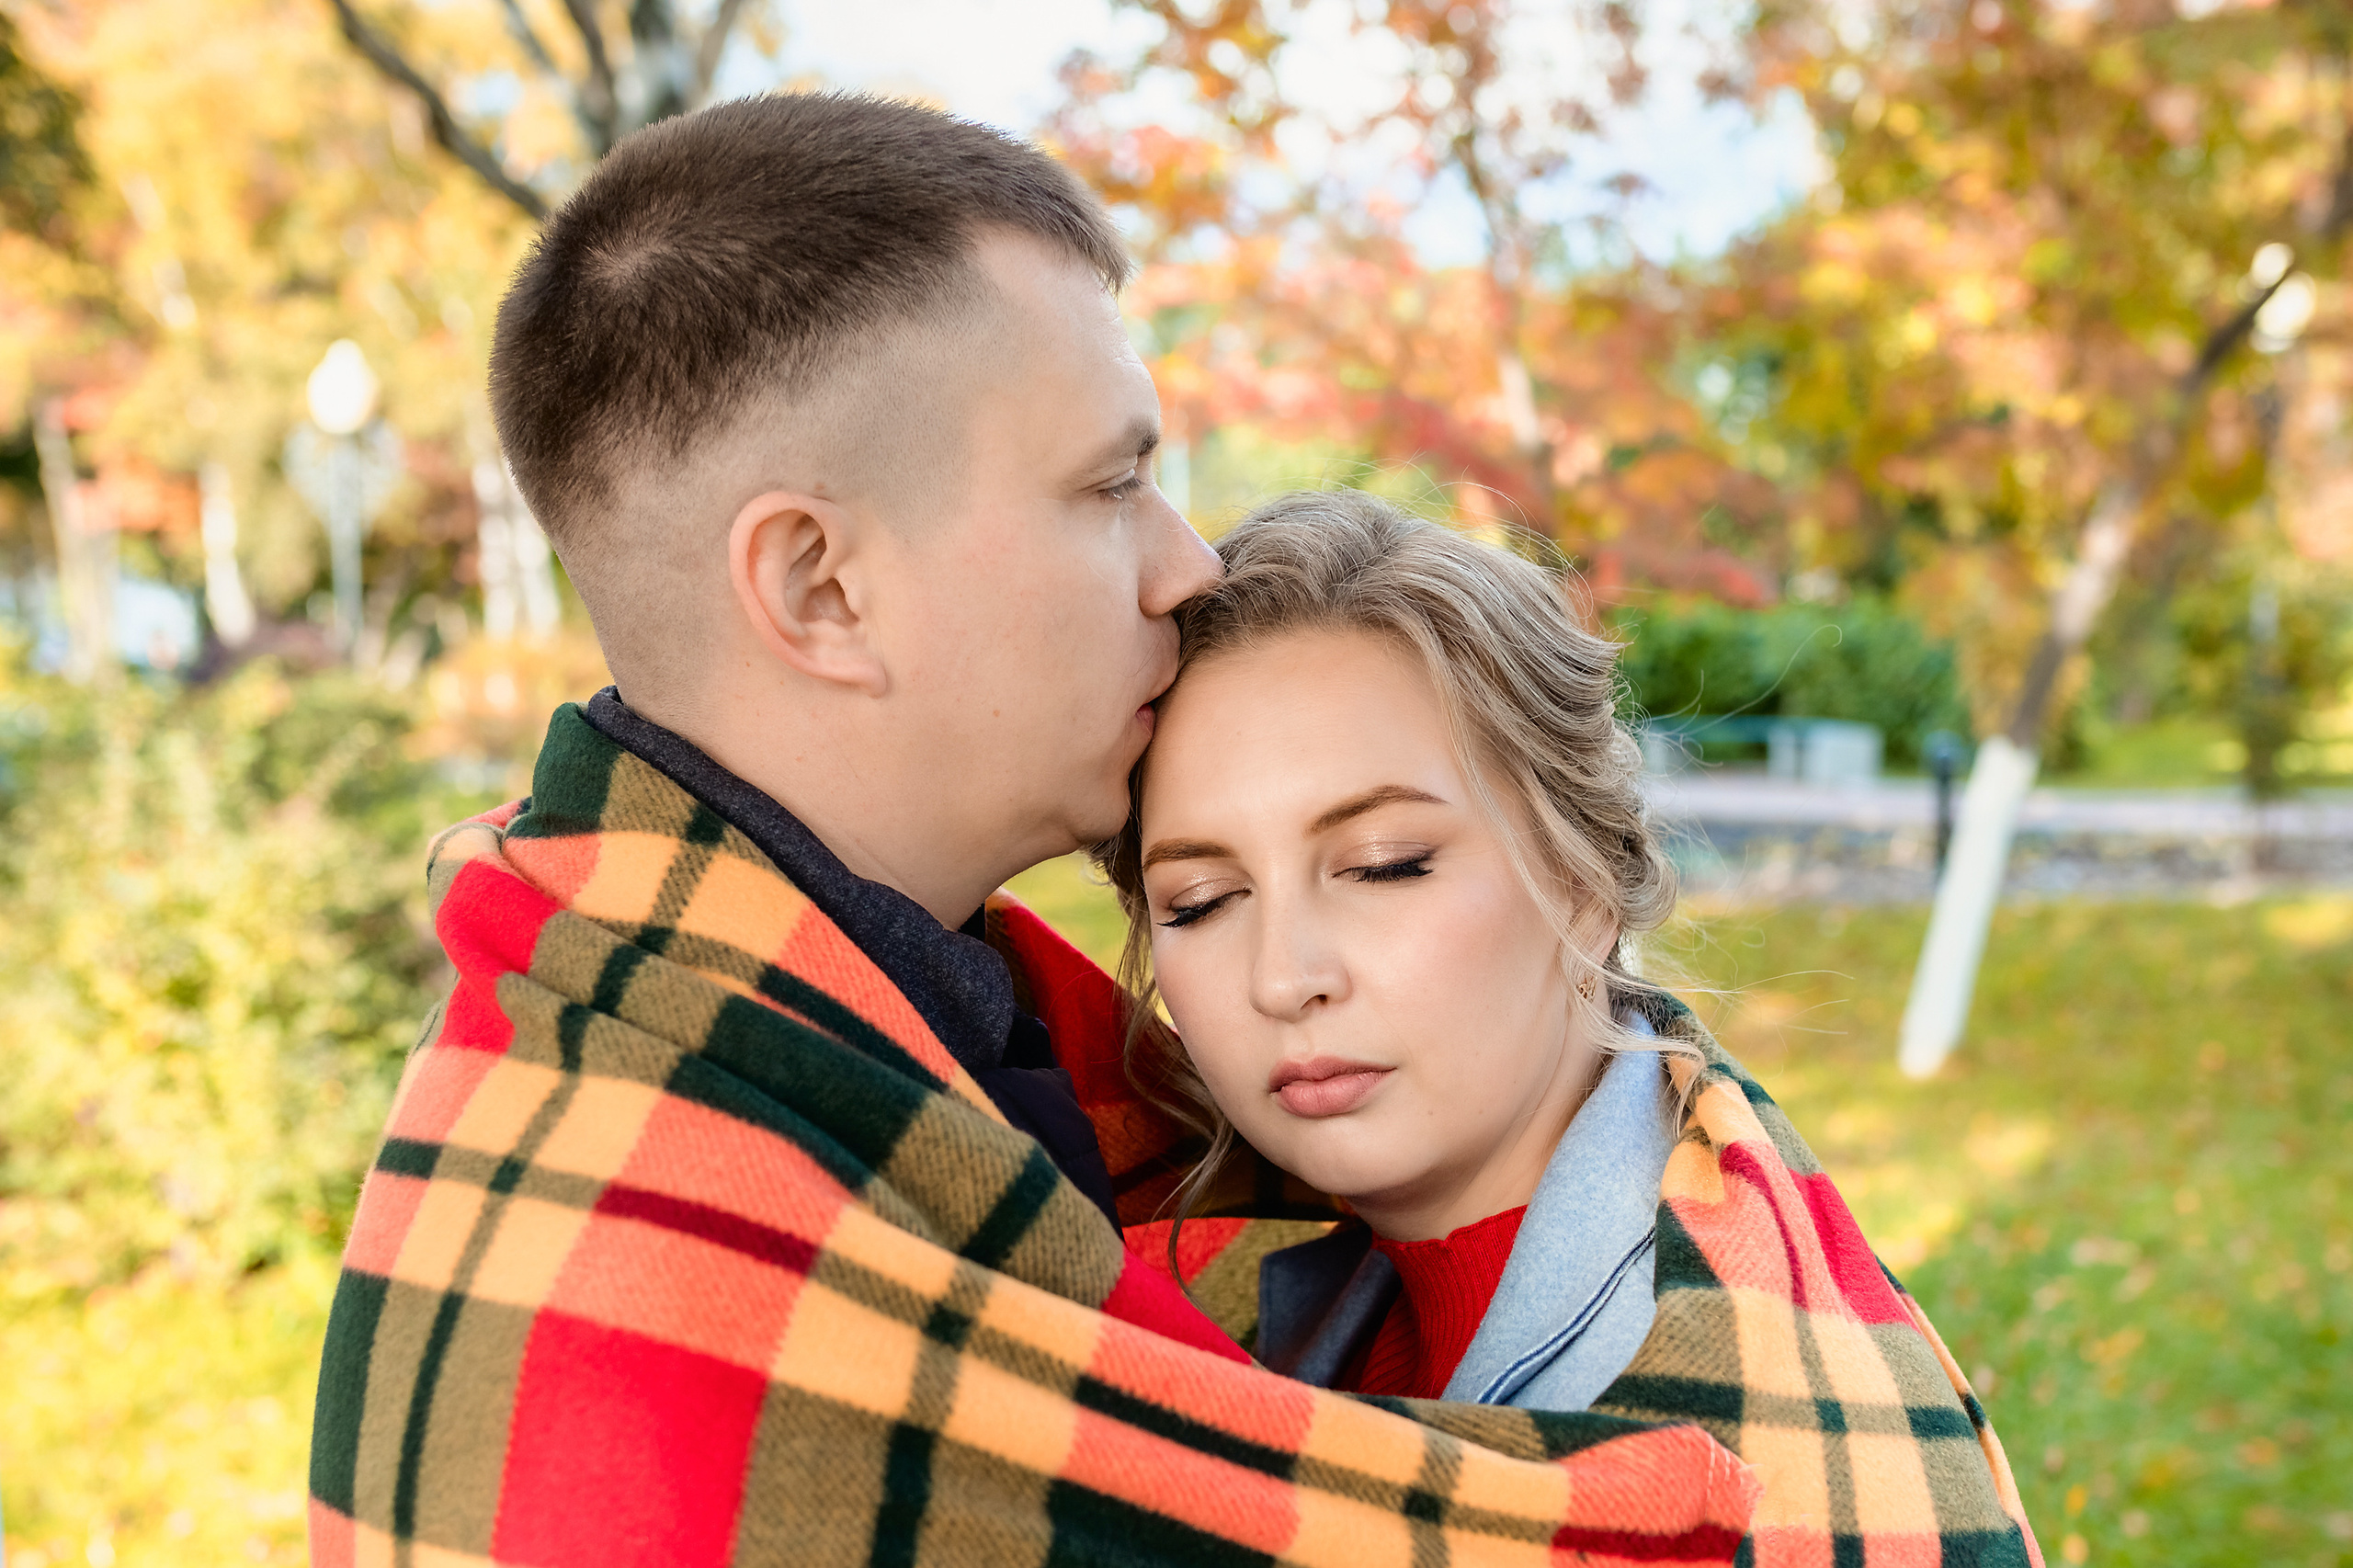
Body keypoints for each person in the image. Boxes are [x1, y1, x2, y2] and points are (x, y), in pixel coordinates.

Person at [307, 96, 1762, 1567]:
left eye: (1381, 864)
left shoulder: (931, 1038)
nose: (1187, 564)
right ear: (821, 585)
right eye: (1114, 484)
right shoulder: (626, 1283)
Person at [1096, 490, 2045, 1567]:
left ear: (1585, 874)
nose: (1283, 976)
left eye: (1383, 865)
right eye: (1200, 900)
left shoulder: (1732, 1459)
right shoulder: (1199, 1291)